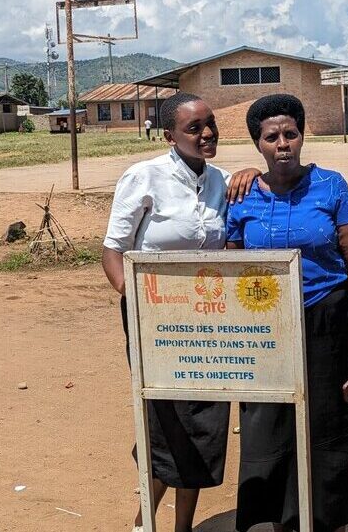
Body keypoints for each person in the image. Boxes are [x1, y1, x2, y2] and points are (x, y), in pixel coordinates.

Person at [102, 92, 259, 532]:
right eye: (194, 128)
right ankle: (144, 522)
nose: (207, 133)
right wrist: (136, 301)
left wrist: (253, 173)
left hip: (209, 319)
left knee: (205, 421)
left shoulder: (224, 182)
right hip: (154, 319)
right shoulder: (143, 177)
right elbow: (114, 251)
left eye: (210, 124)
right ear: (170, 135)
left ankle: (183, 526)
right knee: (163, 417)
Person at [227, 94, 348, 532]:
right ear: (258, 143)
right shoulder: (242, 196)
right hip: (265, 326)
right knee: (268, 424)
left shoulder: (331, 187)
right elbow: (230, 267)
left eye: (290, 134)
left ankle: (328, 520)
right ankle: (278, 520)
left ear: (303, 135)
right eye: (271, 137)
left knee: (329, 424)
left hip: (327, 322)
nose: (283, 144)